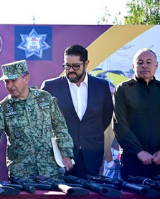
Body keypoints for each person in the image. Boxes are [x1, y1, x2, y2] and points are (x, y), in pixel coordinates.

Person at [0, 60, 74, 180]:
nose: (9, 86)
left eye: (13, 80)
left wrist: (67, 153)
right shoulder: (3, 107)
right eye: (7, 82)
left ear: (26, 79)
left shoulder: (44, 98)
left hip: (49, 169)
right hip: (21, 174)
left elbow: (60, 127)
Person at [42, 44, 114, 177]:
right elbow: (43, 122)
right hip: (60, 158)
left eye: (75, 66)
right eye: (67, 66)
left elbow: (106, 117)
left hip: (92, 155)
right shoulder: (50, 87)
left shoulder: (101, 86)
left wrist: (89, 132)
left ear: (86, 64)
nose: (71, 70)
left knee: (91, 190)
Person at [113, 48, 160, 179]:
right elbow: (119, 124)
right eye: (140, 62)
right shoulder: (123, 89)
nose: (144, 66)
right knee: (131, 192)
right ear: (133, 66)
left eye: (149, 62)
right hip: (132, 159)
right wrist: (138, 151)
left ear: (156, 65)